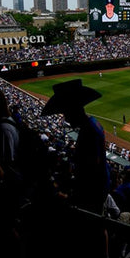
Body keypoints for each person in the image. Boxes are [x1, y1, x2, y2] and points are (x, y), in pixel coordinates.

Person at [41, 79, 109, 213]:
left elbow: (90, 171)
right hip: (97, 192)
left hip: (91, 197)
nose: (66, 118)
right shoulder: (92, 124)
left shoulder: (89, 131)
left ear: (74, 110)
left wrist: (71, 196)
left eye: (66, 113)